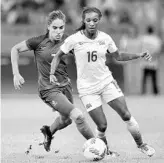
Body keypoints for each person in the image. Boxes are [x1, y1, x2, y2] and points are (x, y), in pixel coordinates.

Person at [50, 7, 155, 157]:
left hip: (106, 82)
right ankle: (105, 150)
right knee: (102, 125)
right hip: (87, 89)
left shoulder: (105, 38)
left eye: (95, 20)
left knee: (126, 115)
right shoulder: (74, 39)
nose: (92, 23)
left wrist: (139, 55)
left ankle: (141, 144)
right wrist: (52, 73)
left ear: (99, 20)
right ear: (84, 21)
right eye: (88, 20)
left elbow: (118, 56)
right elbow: (57, 56)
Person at [11, 10, 94, 152]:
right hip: (48, 89)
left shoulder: (68, 41)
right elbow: (15, 49)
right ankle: (99, 147)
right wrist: (16, 74)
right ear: (48, 26)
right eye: (55, 28)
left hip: (65, 86)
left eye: (61, 28)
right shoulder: (38, 42)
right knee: (78, 116)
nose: (58, 31)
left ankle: (48, 132)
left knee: (66, 120)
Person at [141, 25, 162, 95]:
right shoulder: (156, 39)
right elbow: (158, 51)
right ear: (153, 31)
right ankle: (155, 92)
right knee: (154, 78)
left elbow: (141, 49)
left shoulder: (143, 38)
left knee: (144, 78)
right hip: (153, 61)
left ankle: (143, 92)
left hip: (145, 61)